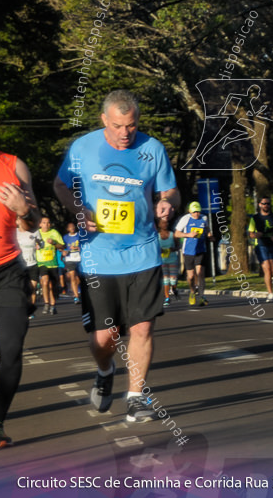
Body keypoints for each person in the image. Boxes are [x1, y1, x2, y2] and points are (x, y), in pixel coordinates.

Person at [54, 89, 179, 423]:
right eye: (119, 126)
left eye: (132, 126)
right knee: (105, 337)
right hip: (98, 256)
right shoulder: (83, 147)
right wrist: (79, 209)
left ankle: (136, 397)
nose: (126, 133)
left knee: (141, 329)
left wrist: (167, 202)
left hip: (143, 253)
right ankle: (105, 369)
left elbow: (169, 188)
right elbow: (60, 185)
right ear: (104, 120)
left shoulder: (152, 149)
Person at [0, 100, 41, 450]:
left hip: (8, 269)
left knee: (12, 350)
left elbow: (33, 221)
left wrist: (23, 210)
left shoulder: (13, 165)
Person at [175, 202, 210, 307]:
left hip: (200, 250)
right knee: (190, 276)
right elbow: (176, 233)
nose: (196, 214)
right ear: (190, 211)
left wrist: (209, 235)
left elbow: (207, 229)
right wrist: (188, 235)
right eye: (194, 212)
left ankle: (202, 296)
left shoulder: (204, 218)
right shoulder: (185, 219)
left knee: (200, 273)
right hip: (188, 251)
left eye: (198, 211)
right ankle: (192, 291)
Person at [248, 197, 273, 298]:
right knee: (267, 268)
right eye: (264, 203)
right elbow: (250, 234)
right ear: (260, 205)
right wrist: (256, 235)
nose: (266, 205)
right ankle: (270, 293)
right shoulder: (255, 218)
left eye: (268, 204)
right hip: (261, 245)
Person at [35, 216, 64, 315]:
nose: (46, 225)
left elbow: (62, 246)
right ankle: (46, 303)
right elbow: (29, 244)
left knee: (52, 286)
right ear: (40, 224)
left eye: (48, 223)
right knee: (45, 281)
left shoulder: (54, 233)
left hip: (53, 263)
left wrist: (54, 242)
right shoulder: (36, 233)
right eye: (44, 222)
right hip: (41, 262)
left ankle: (53, 305)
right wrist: (35, 246)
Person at [16, 220, 41, 313]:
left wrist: (39, 245)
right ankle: (23, 307)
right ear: (17, 221)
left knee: (32, 288)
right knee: (22, 288)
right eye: (19, 219)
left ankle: (30, 309)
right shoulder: (14, 232)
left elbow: (41, 243)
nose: (21, 221)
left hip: (33, 263)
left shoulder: (34, 231)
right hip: (20, 264)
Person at [157, 217, 180, 306]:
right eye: (163, 223)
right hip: (162, 261)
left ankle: (174, 289)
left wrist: (173, 249)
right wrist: (160, 250)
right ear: (159, 224)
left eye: (166, 223)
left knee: (173, 280)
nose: (165, 224)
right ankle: (167, 297)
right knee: (165, 280)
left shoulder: (172, 235)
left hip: (173, 260)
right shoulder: (157, 236)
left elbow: (178, 246)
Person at [63, 221, 82, 304]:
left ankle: (78, 291)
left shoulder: (79, 235)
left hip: (79, 258)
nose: (72, 228)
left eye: (73, 226)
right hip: (69, 259)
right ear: (67, 229)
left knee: (79, 278)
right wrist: (63, 251)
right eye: (70, 227)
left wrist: (77, 247)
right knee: (72, 276)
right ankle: (76, 297)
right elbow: (62, 247)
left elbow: (84, 246)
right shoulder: (65, 237)